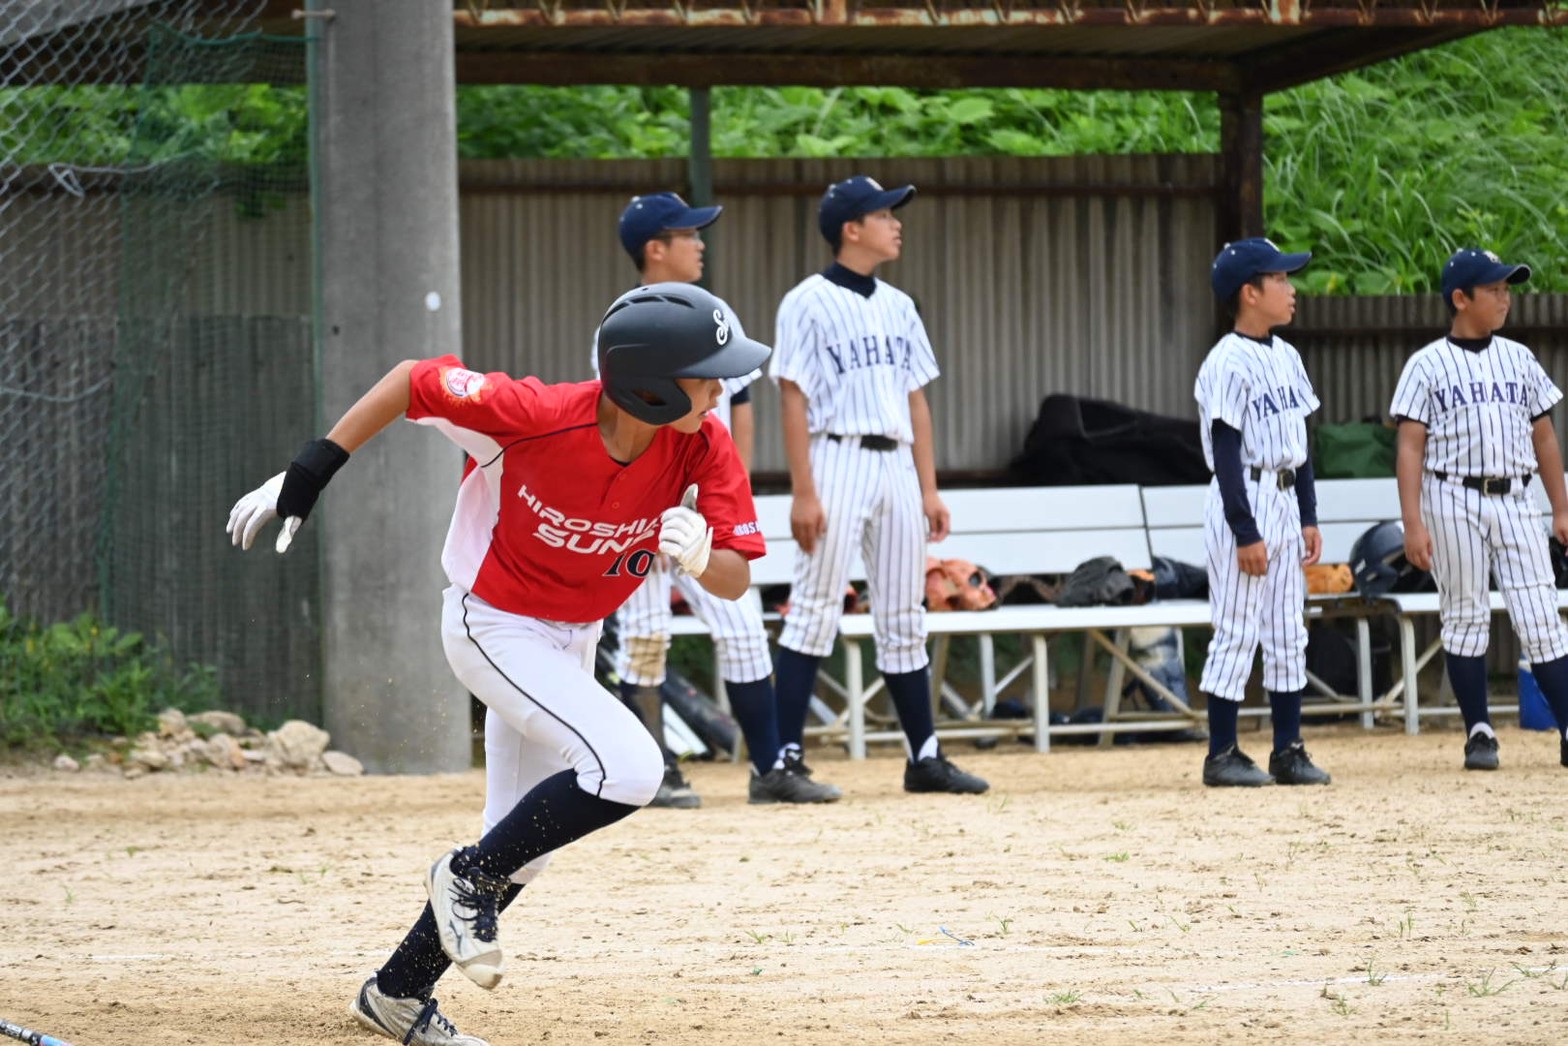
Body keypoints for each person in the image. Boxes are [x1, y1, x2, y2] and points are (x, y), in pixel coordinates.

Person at [225, 283, 770, 1046]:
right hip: (494, 624)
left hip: (572, 636)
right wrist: (306, 474)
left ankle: (396, 994)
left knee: (527, 847)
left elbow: (738, 576)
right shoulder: (537, 415)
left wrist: (707, 559)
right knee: (631, 770)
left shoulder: (702, 442)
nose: (721, 389)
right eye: (706, 374)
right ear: (646, 384)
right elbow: (413, 381)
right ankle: (466, 875)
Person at [598, 191, 839, 806]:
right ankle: (658, 774)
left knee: (742, 628)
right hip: (645, 502)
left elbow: (743, 410)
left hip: (707, 494)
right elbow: (618, 424)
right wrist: (633, 505)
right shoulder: (623, 321)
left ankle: (771, 767)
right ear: (655, 248)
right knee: (647, 632)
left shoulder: (715, 314)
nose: (701, 243)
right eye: (688, 234)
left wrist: (735, 490)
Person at [768, 174, 988, 795]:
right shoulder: (805, 300)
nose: (896, 222)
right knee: (813, 609)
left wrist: (929, 488)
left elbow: (916, 400)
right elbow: (792, 395)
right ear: (851, 228)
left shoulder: (899, 305)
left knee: (904, 614)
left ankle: (925, 758)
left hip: (894, 462)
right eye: (884, 213)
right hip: (835, 456)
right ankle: (783, 763)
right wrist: (803, 491)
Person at [1390, 247, 1568, 772]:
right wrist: (1413, 522)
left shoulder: (1520, 359)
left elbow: (1545, 437)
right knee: (1465, 615)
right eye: (1493, 290)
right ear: (1460, 299)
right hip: (1452, 496)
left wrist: (1560, 507)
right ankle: (1480, 733)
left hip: (1516, 495)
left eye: (1507, 289)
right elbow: (1410, 447)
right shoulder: (1426, 365)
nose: (1504, 299)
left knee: (1541, 616)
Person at [1194, 237, 1332, 788]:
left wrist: (1308, 516)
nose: (1290, 287)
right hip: (1244, 499)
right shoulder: (1226, 360)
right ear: (1250, 293)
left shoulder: (1287, 355)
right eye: (1279, 279)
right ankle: (1222, 752)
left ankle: (1287, 749)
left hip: (1281, 494)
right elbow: (1226, 451)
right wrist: (1244, 529)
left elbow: (1300, 444)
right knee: (1235, 627)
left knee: (1286, 630)